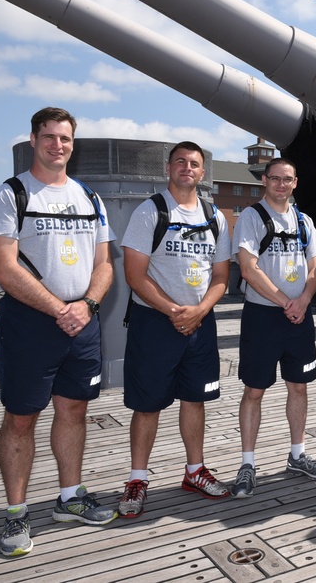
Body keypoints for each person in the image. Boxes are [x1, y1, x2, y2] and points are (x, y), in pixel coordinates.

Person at [0, 107, 116, 557]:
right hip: (32, 324)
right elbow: (3, 267)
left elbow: (103, 265)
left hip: (83, 322)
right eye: (49, 137)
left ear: (73, 145)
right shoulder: (12, 194)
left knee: (74, 410)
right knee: (21, 418)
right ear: (34, 140)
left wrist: (88, 306)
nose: (58, 145)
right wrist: (61, 309)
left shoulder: (88, 197)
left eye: (65, 138)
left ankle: (69, 498)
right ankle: (16, 515)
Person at [116, 141, 232, 518]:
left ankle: (194, 471)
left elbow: (220, 277)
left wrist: (198, 311)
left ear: (202, 173)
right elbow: (134, 274)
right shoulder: (150, 211)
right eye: (180, 161)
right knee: (147, 404)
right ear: (168, 169)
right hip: (155, 322)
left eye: (194, 163)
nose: (187, 168)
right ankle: (137, 479)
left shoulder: (215, 216)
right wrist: (173, 311)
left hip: (200, 321)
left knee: (194, 398)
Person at [231, 157, 316, 498]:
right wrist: (284, 301)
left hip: (298, 316)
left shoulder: (304, 220)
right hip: (264, 318)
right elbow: (248, 268)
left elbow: (315, 263)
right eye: (274, 179)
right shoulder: (251, 217)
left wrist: (303, 298)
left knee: (299, 386)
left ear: (295, 182)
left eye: (287, 179)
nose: (280, 184)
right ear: (264, 180)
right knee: (254, 390)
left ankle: (298, 454)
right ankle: (247, 463)